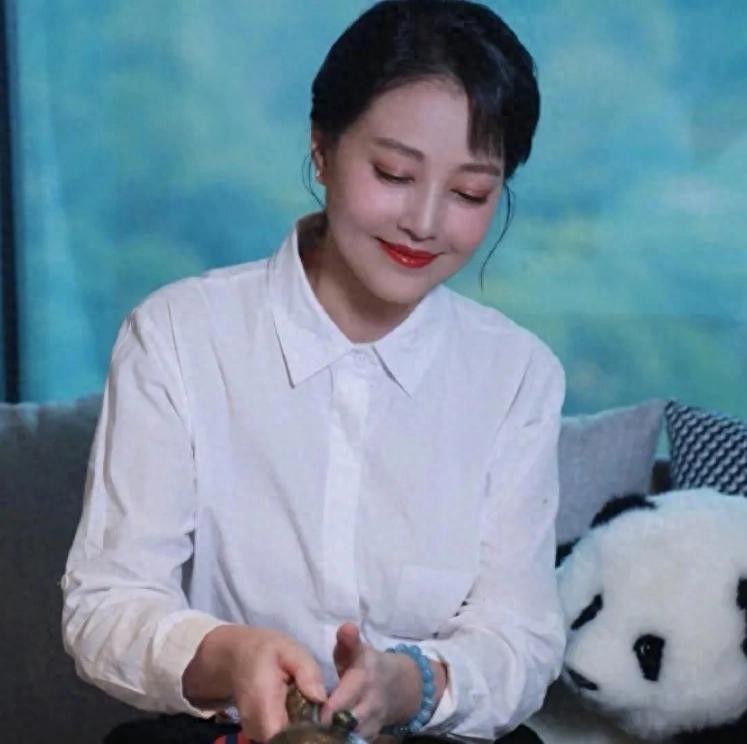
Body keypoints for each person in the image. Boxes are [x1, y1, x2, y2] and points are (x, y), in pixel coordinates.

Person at [62, 2, 565, 743]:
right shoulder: (178, 335)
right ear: (321, 149)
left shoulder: (516, 375)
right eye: (394, 173)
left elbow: (520, 638)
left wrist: (411, 682)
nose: (425, 222)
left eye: (469, 193)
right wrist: (228, 655)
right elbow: (105, 606)